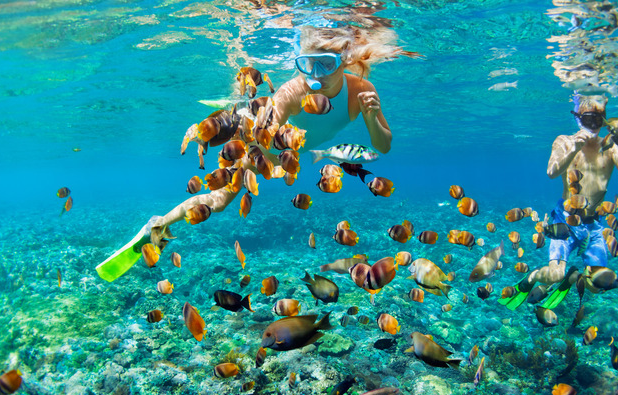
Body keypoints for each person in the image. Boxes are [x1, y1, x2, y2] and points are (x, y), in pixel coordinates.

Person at [96, 25, 418, 282]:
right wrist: (269, 162)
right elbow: (267, 131)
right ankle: (158, 223)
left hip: (286, 154)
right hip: (256, 140)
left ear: (346, 61)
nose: (316, 74)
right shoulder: (293, 90)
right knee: (220, 201)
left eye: (327, 64)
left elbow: (383, 146)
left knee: (223, 201)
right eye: (309, 64)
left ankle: (161, 222)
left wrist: (373, 117)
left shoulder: (362, 91)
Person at [499, 94, 618, 310]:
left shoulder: (611, 147)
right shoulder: (564, 141)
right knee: (555, 275)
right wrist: (574, 149)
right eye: (587, 120)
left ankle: (574, 277)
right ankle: (535, 277)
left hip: (594, 223)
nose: (593, 126)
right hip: (566, 220)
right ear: (577, 118)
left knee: (596, 286)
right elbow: (551, 172)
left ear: (604, 121)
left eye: (598, 120)